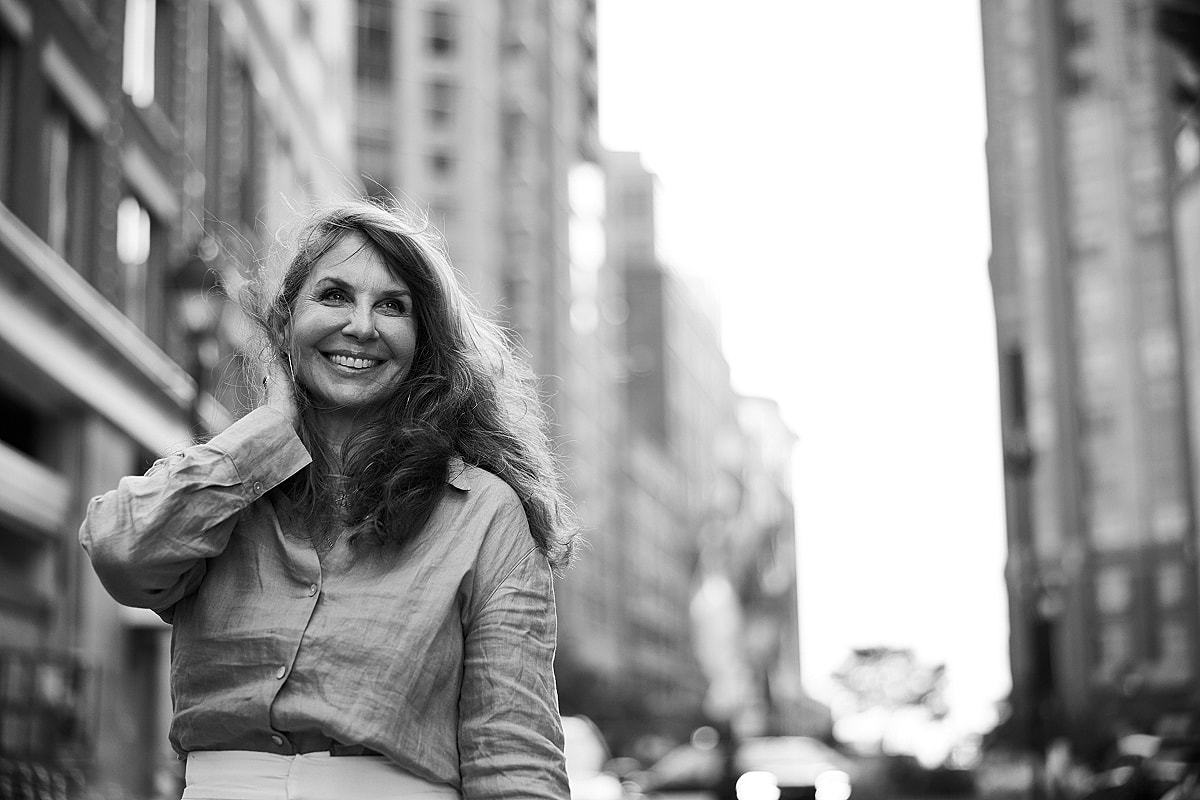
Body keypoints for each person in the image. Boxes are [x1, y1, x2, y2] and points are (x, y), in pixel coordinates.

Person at [80, 198, 579, 799]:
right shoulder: (224, 489)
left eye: (392, 306)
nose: (362, 326)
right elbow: (120, 552)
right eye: (335, 295)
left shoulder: (483, 511)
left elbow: (515, 760)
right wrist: (269, 429)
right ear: (287, 320)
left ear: (424, 342)